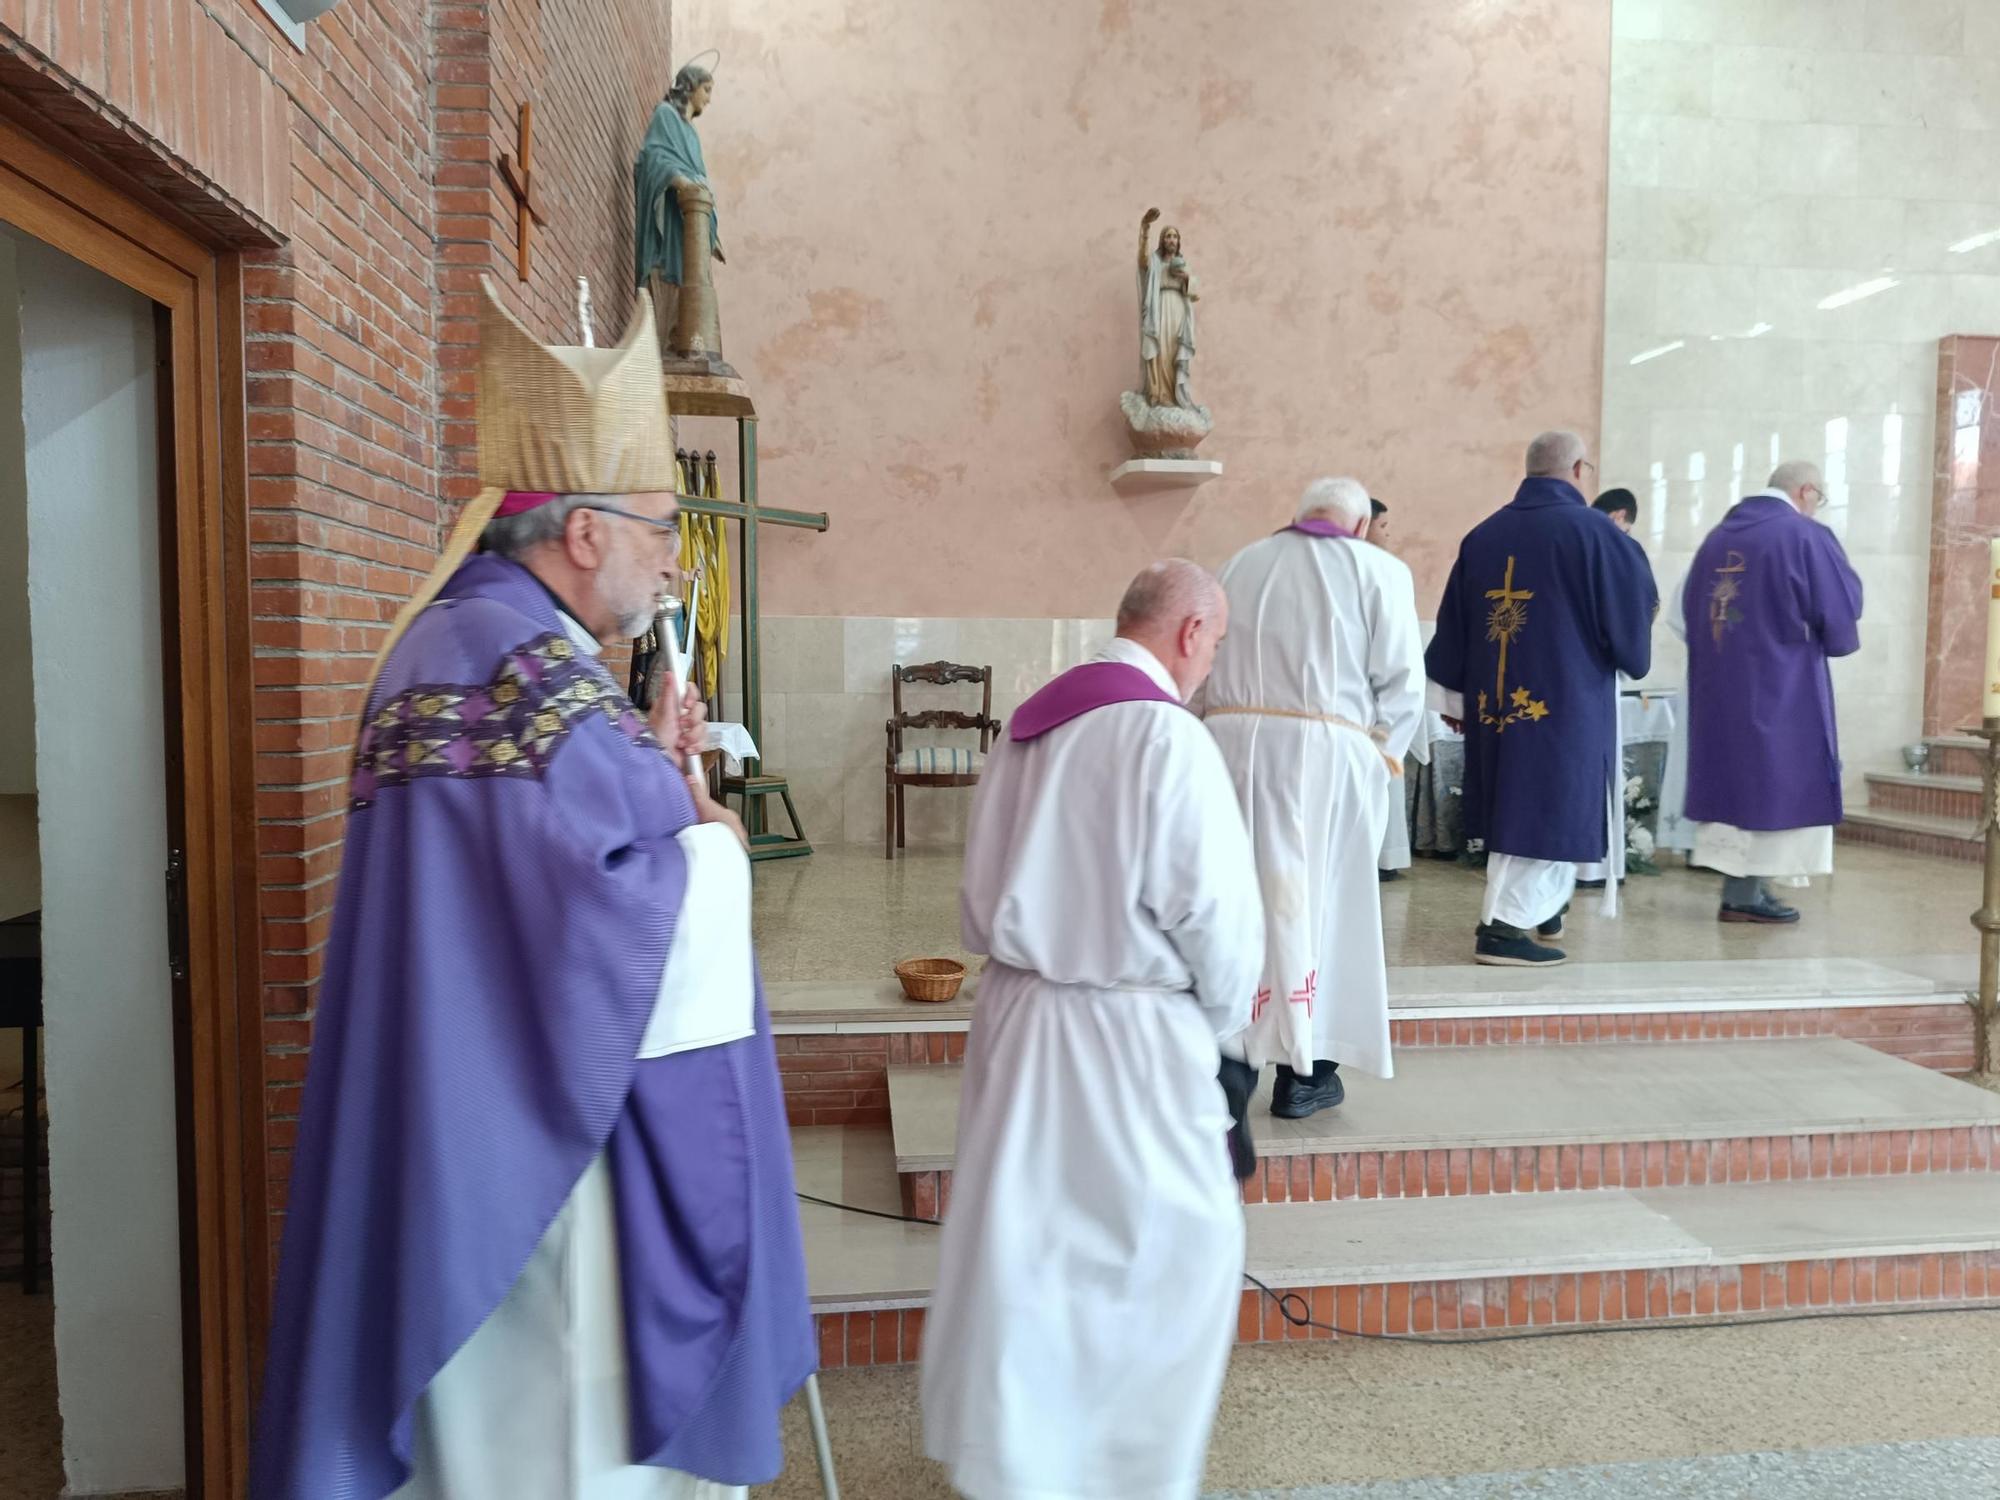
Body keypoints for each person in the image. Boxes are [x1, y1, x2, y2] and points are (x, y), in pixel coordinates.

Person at [254, 282, 815, 1500]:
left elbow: (544, 851)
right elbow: (602, 917)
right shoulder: (523, 673)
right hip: (545, 1158)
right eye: (663, 528)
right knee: (552, 1441)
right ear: (583, 534)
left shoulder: (471, 640)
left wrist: (645, 765)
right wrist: (710, 840)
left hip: (464, 1117)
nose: (674, 557)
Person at [922, 559, 1264, 1500]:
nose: (1212, 663)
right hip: (1127, 1034)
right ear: (1192, 632)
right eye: (1218, 643)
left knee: (1029, 1250)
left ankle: (1022, 1461)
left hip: (1020, 1018)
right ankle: (1115, 1468)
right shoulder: (1164, 734)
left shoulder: (1035, 720)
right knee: (1164, 1253)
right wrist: (1227, 1035)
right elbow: (1217, 920)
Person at [1204, 478, 1423, 1117]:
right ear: (1358, 526)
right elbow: (1405, 684)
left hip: (1231, 751)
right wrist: (1379, 758)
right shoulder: (1377, 568)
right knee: (1324, 908)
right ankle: (1307, 1074)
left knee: (1242, 904)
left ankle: (1226, 1061)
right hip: (1325, 760)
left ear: (1297, 517)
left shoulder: (1240, 563)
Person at [1425, 431, 1657, 966]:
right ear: (1578, 469)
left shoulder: (1483, 535)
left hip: (1494, 701)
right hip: (1565, 699)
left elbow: (1453, 623)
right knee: (1549, 804)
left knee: (1521, 801)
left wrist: (1454, 700)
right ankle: (1503, 928)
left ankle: (1542, 910)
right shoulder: (1598, 534)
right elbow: (1633, 612)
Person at [1680, 460, 1862, 923]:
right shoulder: (1804, 536)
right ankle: (1744, 896)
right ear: (1805, 491)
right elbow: (1840, 609)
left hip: (1719, 688)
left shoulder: (1716, 539)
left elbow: (1684, 615)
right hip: (1783, 686)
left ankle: (1743, 890)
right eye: (1819, 498)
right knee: (1774, 779)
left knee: (1739, 782)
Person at [635, 56, 724, 290]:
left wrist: (710, 230)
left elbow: (699, 177)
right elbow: (652, 158)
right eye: (706, 90)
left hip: (691, 221)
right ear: (691, 86)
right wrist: (681, 182)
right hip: (670, 219)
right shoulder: (665, 114)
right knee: (670, 302)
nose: (709, 99)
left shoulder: (692, 134)